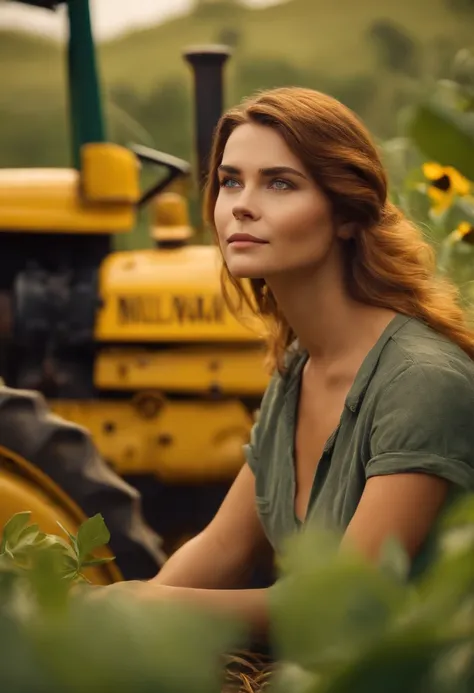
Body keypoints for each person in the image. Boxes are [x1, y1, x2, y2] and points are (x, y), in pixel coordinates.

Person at [99, 86, 474, 636]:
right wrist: (108, 624)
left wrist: (148, 607)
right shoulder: (298, 369)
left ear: (346, 213)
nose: (242, 204)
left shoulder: (421, 381)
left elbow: (346, 604)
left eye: (279, 182)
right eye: (231, 181)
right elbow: (224, 547)